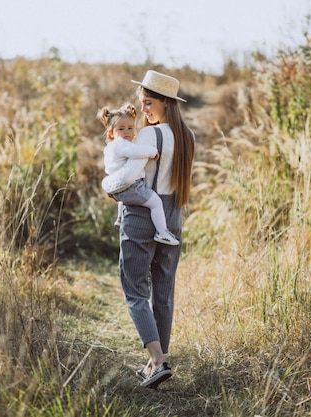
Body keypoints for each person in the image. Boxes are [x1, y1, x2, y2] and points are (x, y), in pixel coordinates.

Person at [117, 70, 195, 389]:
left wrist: (111, 184)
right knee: (163, 292)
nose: (144, 110)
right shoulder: (187, 136)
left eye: (148, 103)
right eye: (142, 103)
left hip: (142, 215)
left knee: (135, 289)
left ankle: (159, 361)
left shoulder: (151, 135)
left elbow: (127, 178)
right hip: (173, 214)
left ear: (165, 102)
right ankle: (155, 362)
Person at [98, 102, 180, 246]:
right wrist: (152, 151)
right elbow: (135, 152)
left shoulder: (109, 148)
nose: (127, 132)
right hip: (132, 186)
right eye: (121, 129)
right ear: (111, 133)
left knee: (123, 199)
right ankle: (162, 232)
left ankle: (120, 218)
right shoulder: (121, 144)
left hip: (118, 188)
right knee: (155, 203)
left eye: (130, 127)